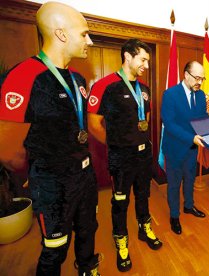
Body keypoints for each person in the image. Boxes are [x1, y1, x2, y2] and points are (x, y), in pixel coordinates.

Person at [0, 2, 100, 275]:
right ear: (61, 34)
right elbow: (7, 151)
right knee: (55, 249)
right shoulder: (23, 77)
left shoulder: (79, 79)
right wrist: (40, 172)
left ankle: (88, 268)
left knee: (88, 231)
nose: (89, 41)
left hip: (85, 176)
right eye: (84, 34)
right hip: (53, 184)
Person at [88, 39, 162, 272]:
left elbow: (146, 120)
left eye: (148, 61)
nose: (146, 66)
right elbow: (93, 123)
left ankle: (144, 228)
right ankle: (121, 242)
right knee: (120, 202)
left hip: (143, 156)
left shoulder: (145, 90)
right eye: (143, 60)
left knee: (143, 196)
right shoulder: (105, 86)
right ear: (127, 57)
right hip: (121, 159)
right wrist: (115, 145)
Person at [161, 61, 208, 235]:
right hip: (174, 148)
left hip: (192, 148)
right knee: (174, 184)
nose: (200, 82)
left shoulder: (201, 95)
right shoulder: (170, 94)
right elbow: (169, 124)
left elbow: (202, 118)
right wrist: (191, 137)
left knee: (190, 179)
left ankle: (189, 206)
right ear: (186, 75)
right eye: (197, 78)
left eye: (202, 79)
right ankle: (174, 216)